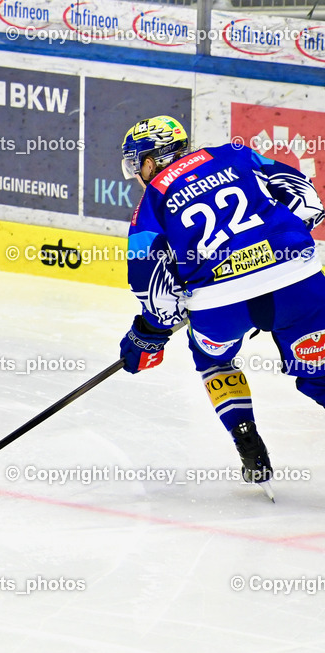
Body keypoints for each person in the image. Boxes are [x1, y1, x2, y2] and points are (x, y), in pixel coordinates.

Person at [118, 115, 325, 489]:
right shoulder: (237, 156)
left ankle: (245, 438)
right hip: (298, 284)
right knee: (322, 375)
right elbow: (305, 196)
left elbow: (153, 289)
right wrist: (279, 243)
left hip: (221, 306)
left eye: (136, 163)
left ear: (150, 162)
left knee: (212, 357)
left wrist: (147, 334)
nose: (136, 174)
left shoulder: (150, 205)